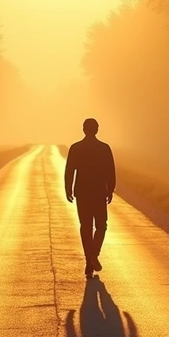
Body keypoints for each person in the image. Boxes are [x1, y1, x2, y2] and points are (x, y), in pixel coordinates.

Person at [65, 118, 116, 277]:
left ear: (83, 129)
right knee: (101, 225)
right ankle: (93, 255)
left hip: (82, 193)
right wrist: (110, 189)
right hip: (99, 192)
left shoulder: (76, 148)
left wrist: (68, 189)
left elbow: (70, 170)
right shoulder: (104, 148)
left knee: (85, 227)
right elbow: (110, 171)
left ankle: (90, 259)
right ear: (97, 129)